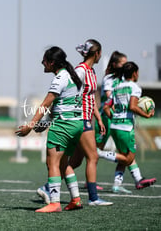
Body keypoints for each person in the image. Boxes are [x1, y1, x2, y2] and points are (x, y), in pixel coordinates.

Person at [36, 40, 113, 207]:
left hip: (82, 119)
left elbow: (89, 98)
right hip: (79, 119)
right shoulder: (79, 71)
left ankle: (55, 190)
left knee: (73, 161)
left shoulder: (90, 72)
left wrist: (98, 118)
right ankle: (92, 197)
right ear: (97, 53)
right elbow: (63, 98)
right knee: (91, 156)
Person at [16, 46, 84, 213]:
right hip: (76, 125)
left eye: (45, 60)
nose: (42, 63)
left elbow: (45, 104)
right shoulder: (73, 77)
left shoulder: (60, 78)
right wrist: (45, 124)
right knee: (63, 163)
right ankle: (75, 199)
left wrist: (29, 127)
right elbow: (62, 106)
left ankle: (54, 203)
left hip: (63, 126)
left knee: (51, 162)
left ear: (52, 62)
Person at [99, 61, 156, 191]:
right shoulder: (134, 87)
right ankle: (99, 153)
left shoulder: (117, 87)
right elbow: (133, 106)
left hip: (115, 125)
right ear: (135, 73)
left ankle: (119, 184)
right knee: (129, 158)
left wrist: (114, 118)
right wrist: (146, 115)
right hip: (125, 127)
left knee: (123, 157)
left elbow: (107, 106)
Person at [95, 51, 132, 194]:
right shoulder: (109, 78)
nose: (126, 65)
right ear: (115, 64)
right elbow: (110, 97)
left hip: (121, 119)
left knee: (125, 153)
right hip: (106, 118)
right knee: (96, 151)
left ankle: (118, 183)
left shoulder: (124, 79)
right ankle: (89, 181)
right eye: (123, 63)